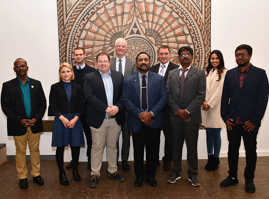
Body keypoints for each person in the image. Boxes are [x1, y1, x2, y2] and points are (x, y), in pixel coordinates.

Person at [220, 44, 268, 193]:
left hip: (250, 124)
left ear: (250, 55)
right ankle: (232, 177)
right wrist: (226, 117)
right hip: (233, 122)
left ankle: (249, 179)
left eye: (242, 54)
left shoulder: (260, 74)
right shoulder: (230, 74)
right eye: (237, 55)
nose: (239, 57)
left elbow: (263, 100)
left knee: (250, 152)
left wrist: (254, 121)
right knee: (232, 151)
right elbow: (224, 98)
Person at [1, 58, 46, 189]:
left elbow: (43, 104)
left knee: (35, 150)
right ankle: (22, 177)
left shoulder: (36, 84)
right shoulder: (8, 85)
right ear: (14, 69)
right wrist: (19, 119)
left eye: (23, 66)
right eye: (18, 66)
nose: (21, 68)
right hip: (17, 124)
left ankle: (36, 174)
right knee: (20, 151)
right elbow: (5, 107)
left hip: (34, 124)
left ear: (27, 67)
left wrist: (36, 119)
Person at [123, 52, 167, 187]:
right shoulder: (129, 80)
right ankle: (139, 176)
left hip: (154, 121)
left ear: (150, 62)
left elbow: (163, 98)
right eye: (140, 60)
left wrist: (151, 113)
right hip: (137, 121)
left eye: (146, 60)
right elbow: (126, 99)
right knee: (138, 151)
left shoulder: (159, 79)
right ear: (137, 63)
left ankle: (151, 176)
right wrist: (140, 114)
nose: (143, 62)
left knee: (153, 152)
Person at [84, 52, 125, 188]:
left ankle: (112, 171)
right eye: (100, 61)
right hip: (98, 119)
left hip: (115, 119)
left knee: (113, 146)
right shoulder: (89, 77)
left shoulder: (119, 76)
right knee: (97, 147)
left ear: (109, 62)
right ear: (96, 64)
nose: (103, 63)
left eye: (105, 61)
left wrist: (118, 107)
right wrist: (106, 108)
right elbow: (89, 97)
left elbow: (123, 96)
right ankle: (95, 173)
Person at [167, 46, 206, 187]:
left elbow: (201, 95)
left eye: (188, 54)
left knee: (192, 147)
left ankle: (193, 174)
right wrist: (177, 111)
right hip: (175, 117)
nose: (185, 56)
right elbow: (168, 95)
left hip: (191, 117)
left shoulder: (200, 73)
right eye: (182, 54)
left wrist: (187, 111)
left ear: (192, 57)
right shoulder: (171, 73)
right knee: (175, 147)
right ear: (178, 57)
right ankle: (175, 172)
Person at [48, 63, 85, 185]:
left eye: (68, 71)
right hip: (61, 120)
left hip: (75, 120)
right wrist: (62, 118)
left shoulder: (78, 87)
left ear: (72, 73)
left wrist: (75, 118)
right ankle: (62, 173)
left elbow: (82, 104)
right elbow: (52, 105)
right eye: (63, 72)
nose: (66, 74)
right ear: (60, 74)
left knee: (75, 147)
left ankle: (75, 170)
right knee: (60, 147)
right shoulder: (55, 87)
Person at [66, 47, 96, 170]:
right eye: (76, 55)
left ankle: (90, 160)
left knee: (90, 138)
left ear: (85, 55)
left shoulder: (92, 71)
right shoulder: (69, 71)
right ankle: (74, 160)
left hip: (88, 111)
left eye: (80, 54)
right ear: (74, 56)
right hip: (74, 111)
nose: (78, 56)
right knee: (75, 137)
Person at [150, 45, 178, 171]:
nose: (163, 56)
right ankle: (154, 160)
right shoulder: (152, 69)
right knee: (154, 137)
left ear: (170, 54)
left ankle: (168, 160)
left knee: (170, 138)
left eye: (166, 53)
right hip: (155, 110)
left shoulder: (176, 69)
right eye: (161, 54)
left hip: (169, 110)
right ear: (158, 54)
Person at [110, 38, 136, 171]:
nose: (120, 48)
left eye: (123, 46)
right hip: (113, 106)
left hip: (128, 107)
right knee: (113, 136)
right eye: (118, 46)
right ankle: (114, 161)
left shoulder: (132, 64)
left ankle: (125, 160)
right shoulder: (109, 62)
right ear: (115, 48)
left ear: (126, 48)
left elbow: (135, 84)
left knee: (126, 136)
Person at [201, 50, 227, 171]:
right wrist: (204, 102)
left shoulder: (224, 72)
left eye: (217, 58)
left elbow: (219, 92)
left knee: (216, 134)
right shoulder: (208, 72)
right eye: (212, 58)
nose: (214, 60)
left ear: (220, 59)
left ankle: (216, 159)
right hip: (205, 107)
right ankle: (210, 157)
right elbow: (203, 89)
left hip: (216, 108)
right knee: (208, 134)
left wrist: (209, 104)